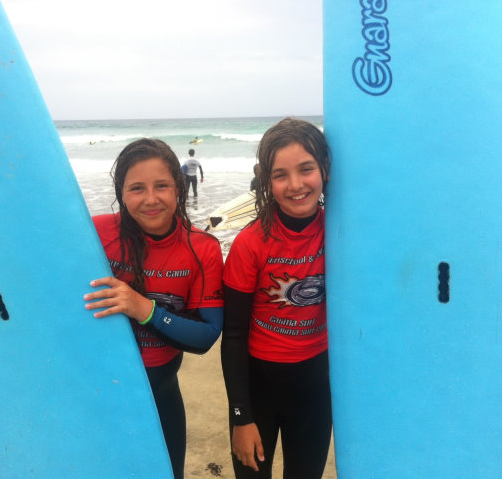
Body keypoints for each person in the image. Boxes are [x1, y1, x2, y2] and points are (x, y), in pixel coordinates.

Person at [84, 138, 224, 479]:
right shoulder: (93, 232)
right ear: (121, 193)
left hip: (162, 392)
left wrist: (143, 308)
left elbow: (206, 335)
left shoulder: (201, 249)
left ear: (178, 187)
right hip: (100, 391)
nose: (151, 199)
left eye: (161, 185)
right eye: (136, 188)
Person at [221, 117, 332, 479]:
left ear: (325, 170)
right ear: (267, 182)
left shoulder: (341, 231)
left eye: (306, 169)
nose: (296, 185)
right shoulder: (250, 243)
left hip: (316, 388)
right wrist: (241, 417)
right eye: (280, 175)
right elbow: (233, 334)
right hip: (258, 389)